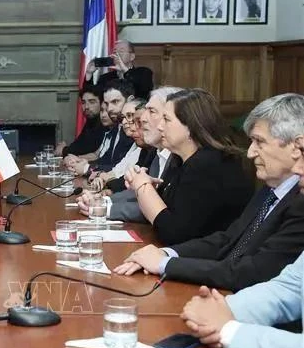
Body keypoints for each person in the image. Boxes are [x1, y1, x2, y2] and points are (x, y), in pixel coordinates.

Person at [115, 93, 304, 292]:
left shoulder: (298, 201)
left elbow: (254, 271)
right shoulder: (271, 188)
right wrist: (166, 254)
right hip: (224, 287)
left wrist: (165, 264)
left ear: (295, 147)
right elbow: (227, 240)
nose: (250, 152)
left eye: (259, 142)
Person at [121, 88, 253, 244]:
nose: (160, 126)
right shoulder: (181, 159)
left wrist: (143, 187)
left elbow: (172, 233)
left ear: (191, 126)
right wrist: (147, 184)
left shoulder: (208, 164)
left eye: (167, 120)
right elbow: (168, 210)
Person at [78, 87, 180, 222]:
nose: (143, 119)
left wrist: (104, 206)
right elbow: (140, 196)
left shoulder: (184, 160)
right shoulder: (157, 153)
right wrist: (103, 201)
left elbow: (158, 207)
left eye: (152, 112)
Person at [66, 80, 136, 175]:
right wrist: (82, 164)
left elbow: (121, 168)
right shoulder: (117, 127)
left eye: (115, 102)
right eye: (107, 104)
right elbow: (106, 160)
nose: (109, 109)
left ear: (130, 100)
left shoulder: (133, 129)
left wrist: (87, 168)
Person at [82, 40, 154, 100]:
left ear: (132, 57)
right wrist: (89, 73)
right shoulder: (105, 78)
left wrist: (125, 70)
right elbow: (91, 97)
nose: (117, 54)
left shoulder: (143, 73)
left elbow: (144, 89)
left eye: (121, 51)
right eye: (115, 52)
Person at [55, 88, 106, 157]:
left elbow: (88, 148)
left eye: (92, 102)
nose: (86, 107)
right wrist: (65, 149)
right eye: (83, 102)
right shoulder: (91, 120)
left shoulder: (104, 122)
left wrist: (64, 150)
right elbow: (79, 144)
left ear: (102, 103)